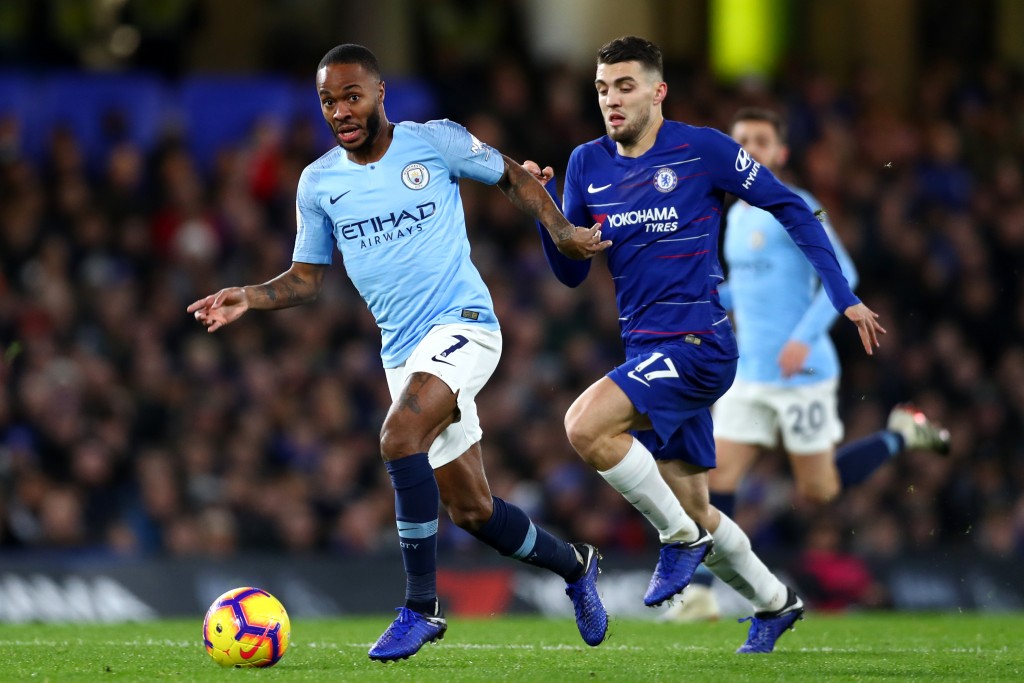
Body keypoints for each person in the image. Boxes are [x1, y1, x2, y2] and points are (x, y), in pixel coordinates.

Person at [187, 43, 610, 662]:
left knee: (398, 436)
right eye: (328, 101)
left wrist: (563, 230)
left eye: (351, 96)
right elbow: (307, 277)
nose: (340, 111)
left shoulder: (433, 141)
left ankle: (420, 608)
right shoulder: (319, 182)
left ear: (380, 94)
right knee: (472, 510)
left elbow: (513, 176)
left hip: (465, 324)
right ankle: (576, 566)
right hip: (402, 353)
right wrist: (249, 296)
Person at [524, 36, 884, 654]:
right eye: (603, 88)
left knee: (583, 426)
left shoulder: (703, 150)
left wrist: (840, 293)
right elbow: (572, 272)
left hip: (699, 344)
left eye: (626, 86)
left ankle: (677, 542)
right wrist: (546, 214)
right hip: (645, 350)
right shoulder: (585, 163)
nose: (611, 99)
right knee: (697, 510)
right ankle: (775, 602)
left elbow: (790, 207)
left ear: (658, 91)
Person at [661, 107, 952, 623]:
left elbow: (846, 271)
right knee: (717, 478)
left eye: (761, 141)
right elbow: (746, 289)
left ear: (780, 153)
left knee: (819, 490)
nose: (749, 149)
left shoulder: (796, 205)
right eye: (741, 140)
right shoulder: (735, 216)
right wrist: (699, 299)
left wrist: (802, 338)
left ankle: (900, 434)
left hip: (804, 373)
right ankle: (700, 593)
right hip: (750, 374)